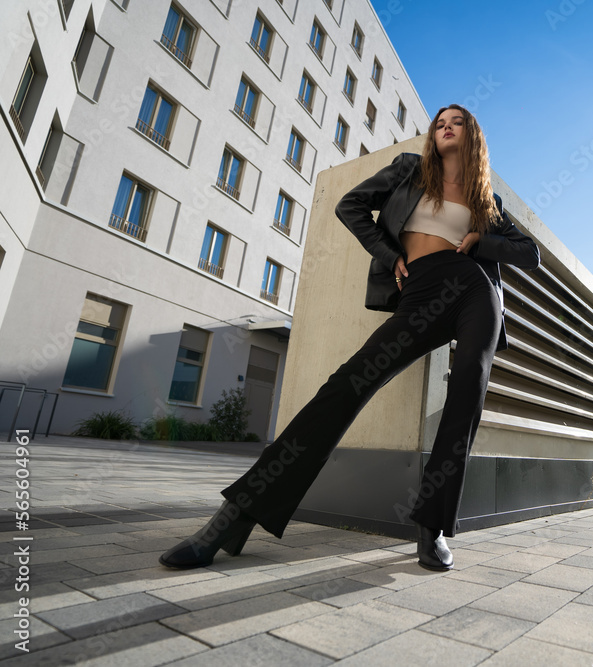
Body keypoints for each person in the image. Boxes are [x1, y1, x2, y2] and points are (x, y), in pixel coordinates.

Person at [159, 104, 540, 571]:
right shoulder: (410, 170)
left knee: (465, 396)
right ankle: (234, 516)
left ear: (473, 134)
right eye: (439, 121)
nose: (445, 126)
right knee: (347, 384)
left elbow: (530, 253)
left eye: (457, 121)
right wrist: (388, 253)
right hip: (420, 290)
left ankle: (432, 526)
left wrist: (483, 241)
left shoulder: (486, 199)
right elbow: (350, 205)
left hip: (476, 294)